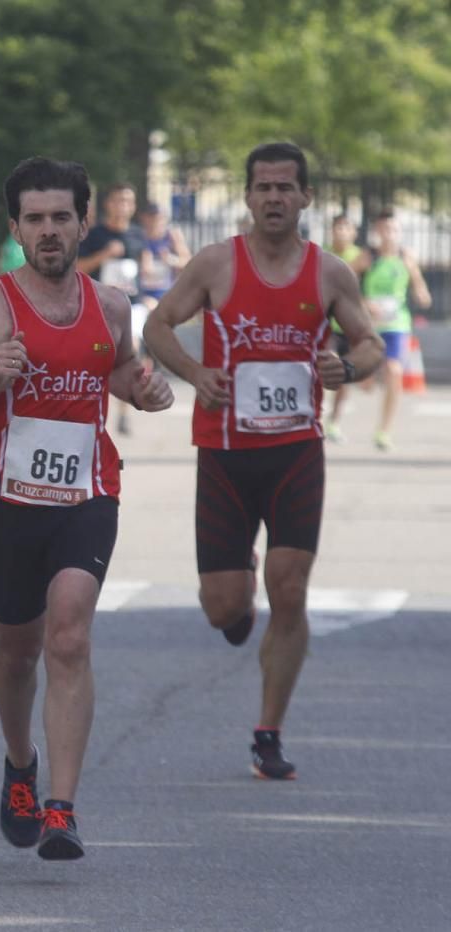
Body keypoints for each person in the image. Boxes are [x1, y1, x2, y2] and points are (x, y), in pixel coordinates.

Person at [0, 157, 174, 861]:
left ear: (83, 222)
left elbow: (118, 367)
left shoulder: (113, 305)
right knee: (17, 652)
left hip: (87, 496)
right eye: (34, 219)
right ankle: (20, 765)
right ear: (16, 229)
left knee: (69, 636)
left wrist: (143, 389)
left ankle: (61, 808)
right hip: (5, 504)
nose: (49, 231)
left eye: (61, 217)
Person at [143, 142, 384, 780]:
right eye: (263, 187)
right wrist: (196, 373)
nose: (274, 197)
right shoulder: (216, 264)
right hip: (224, 455)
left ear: (305, 198)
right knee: (224, 609)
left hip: (295, 453)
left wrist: (348, 367)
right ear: (248, 198)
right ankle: (238, 592)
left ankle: (268, 732)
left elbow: (369, 342)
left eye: (286, 187)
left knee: (292, 588)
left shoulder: (329, 273)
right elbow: (157, 327)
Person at [78, 183, 147, 435]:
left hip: (132, 306)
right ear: (108, 204)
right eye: (118, 201)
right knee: (100, 357)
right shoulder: (95, 235)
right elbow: (79, 268)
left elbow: (142, 270)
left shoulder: (139, 235)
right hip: (101, 308)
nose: (123, 206)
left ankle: (124, 414)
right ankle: (94, 412)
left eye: (128, 201)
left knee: (130, 353)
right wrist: (104, 254)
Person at [360, 209, 432, 451]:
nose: (389, 234)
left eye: (394, 229)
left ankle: (384, 430)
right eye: (384, 229)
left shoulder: (406, 257)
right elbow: (343, 283)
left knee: (394, 370)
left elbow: (420, 286)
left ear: (399, 231)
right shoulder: (367, 257)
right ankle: (369, 377)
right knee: (366, 383)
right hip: (369, 325)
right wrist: (364, 303)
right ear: (377, 232)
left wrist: (421, 294)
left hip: (397, 324)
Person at [322, 213, 370, 441]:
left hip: (348, 326)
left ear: (354, 232)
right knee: (325, 364)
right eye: (337, 227)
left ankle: (334, 421)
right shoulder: (321, 253)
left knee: (342, 375)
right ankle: (315, 413)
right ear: (331, 231)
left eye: (346, 227)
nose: (341, 232)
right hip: (323, 324)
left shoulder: (362, 257)